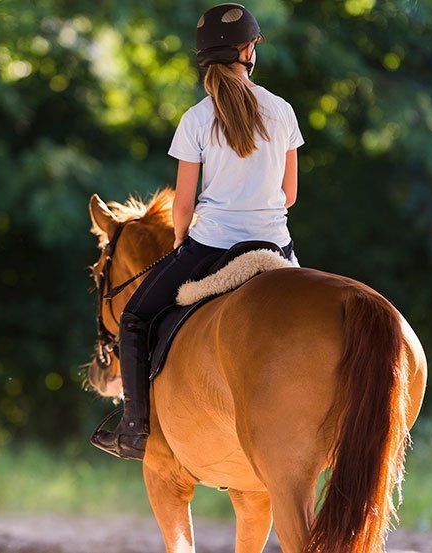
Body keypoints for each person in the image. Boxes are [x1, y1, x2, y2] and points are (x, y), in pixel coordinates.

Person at [91, 2, 304, 460]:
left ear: (205, 57)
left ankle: (133, 430)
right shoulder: (283, 111)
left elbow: (183, 203)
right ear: (249, 51)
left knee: (133, 319)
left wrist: (180, 240)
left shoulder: (195, 119)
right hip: (277, 247)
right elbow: (289, 194)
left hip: (211, 248)